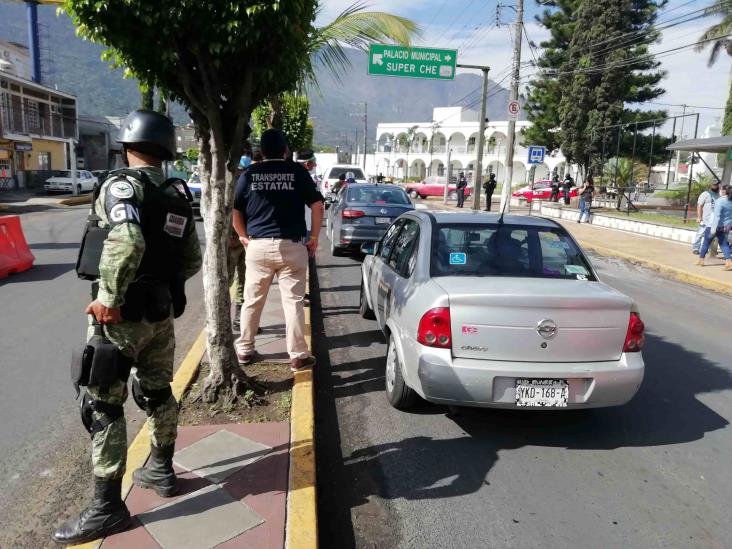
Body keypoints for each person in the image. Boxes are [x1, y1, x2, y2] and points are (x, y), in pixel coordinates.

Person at [53, 110, 202, 545]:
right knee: (157, 391)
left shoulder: (121, 187)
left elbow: (129, 239)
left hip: (121, 320)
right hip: (159, 314)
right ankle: (160, 469)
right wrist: (162, 285)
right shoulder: (176, 191)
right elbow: (191, 259)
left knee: (103, 406)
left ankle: (106, 510)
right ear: (168, 149)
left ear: (126, 144)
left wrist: (109, 299)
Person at [233, 129, 325, 372]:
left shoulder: (250, 173)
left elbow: (236, 210)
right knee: (293, 302)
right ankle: (298, 355)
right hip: (292, 246)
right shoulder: (297, 172)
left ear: (261, 151)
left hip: (258, 246)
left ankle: (244, 349)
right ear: (285, 150)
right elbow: (317, 205)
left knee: (252, 300)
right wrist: (314, 237)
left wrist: (243, 236)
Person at [697, 183, 732, 270]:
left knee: (706, 242)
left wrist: (713, 229)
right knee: (724, 244)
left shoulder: (719, 201)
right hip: (725, 226)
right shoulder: (730, 201)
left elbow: (717, 216)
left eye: (721, 189)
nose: (719, 191)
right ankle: (729, 262)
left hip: (714, 226)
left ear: (723, 191)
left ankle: (701, 260)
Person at [692, 179, 721, 255]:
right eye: (713, 185)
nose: (715, 186)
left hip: (714, 221)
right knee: (700, 234)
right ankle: (696, 248)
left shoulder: (719, 195)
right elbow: (699, 205)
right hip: (705, 219)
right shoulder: (705, 194)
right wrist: (699, 217)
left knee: (710, 236)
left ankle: (705, 249)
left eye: (716, 185)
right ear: (710, 185)